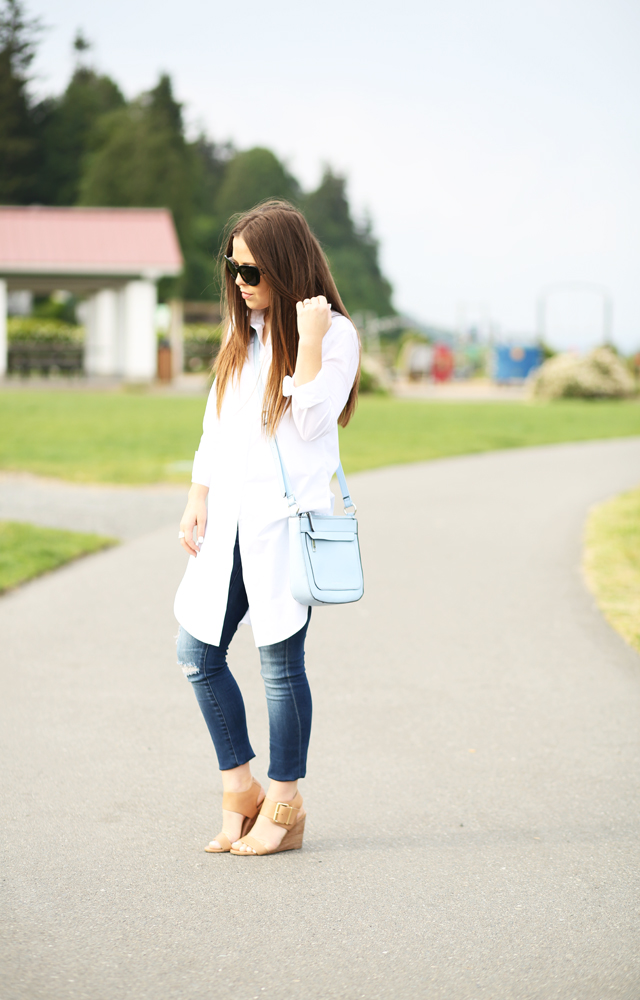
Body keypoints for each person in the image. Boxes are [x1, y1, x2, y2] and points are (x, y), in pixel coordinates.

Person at [174, 200, 360, 857]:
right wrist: (197, 494)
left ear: (286, 265)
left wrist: (307, 343)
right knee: (196, 654)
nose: (240, 281)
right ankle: (240, 788)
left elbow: (310, 426)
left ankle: (285, 804)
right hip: (226, 522)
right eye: (233, 268)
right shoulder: (243, 328)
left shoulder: (334, 336)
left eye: (251, 269)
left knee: (280, 665)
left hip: (284, 528)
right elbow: (215, 419)